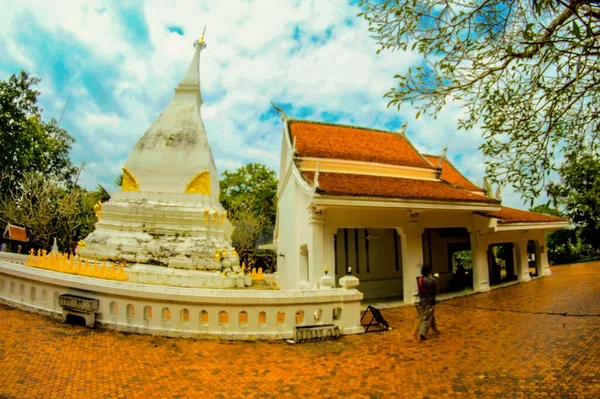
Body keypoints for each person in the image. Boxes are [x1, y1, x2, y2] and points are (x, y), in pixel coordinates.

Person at [414, 264, 439, 340]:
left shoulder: (420, 279)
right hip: (430, 300)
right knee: (427, 317)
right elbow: (436, 290)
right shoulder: (432, 280)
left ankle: (435, 329)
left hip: (422, 300)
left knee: (430, 315)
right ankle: (422, 334)